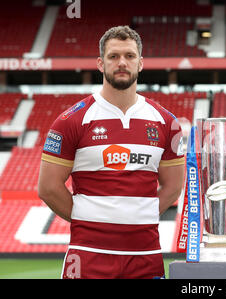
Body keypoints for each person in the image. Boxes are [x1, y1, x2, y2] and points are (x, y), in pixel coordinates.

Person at [38, 26, 185, 279]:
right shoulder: (72, 120)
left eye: (129, 56)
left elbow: (173, 186)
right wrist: (89, 221)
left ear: (140, 63)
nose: (122, 63)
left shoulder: (167, 122)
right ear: (100, 63)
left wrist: (138, 217)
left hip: (145, 256)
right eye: (113, 56)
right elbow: (48, 187)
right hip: (87, 255)